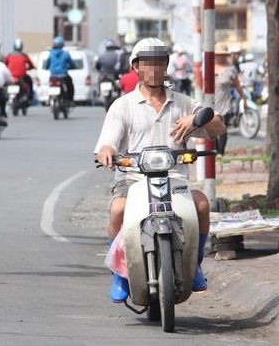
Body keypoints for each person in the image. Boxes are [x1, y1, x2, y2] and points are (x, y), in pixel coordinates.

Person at [94, 38, 226, 302]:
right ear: (136, 67)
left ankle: (195, 264)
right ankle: (120, 274)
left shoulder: (183, 103)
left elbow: (219, 128)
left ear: (166, 66)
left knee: (201, 205)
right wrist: (107, 151)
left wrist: (200, 118)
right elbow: (107, 141)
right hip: (132, 179)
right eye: (147, 63)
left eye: (159, 62)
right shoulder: (122, 106)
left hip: (174, 178)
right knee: (118, 209)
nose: (154, 68)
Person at [213, 42, 248, 155]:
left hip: (224, 103)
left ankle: (220, 153)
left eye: (223, 55)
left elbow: (237, 85)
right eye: (218, 54)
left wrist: (244, 98)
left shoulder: (231, 69)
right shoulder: (209, 67)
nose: (221, 57)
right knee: (211, 129)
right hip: (210, 102)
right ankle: (214, 151)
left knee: (222, 128)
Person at [45, 36, 76, 103]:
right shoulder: (66, 54)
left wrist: (47, 68)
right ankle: (70, 100)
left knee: (50, 84)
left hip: (53, 76)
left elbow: (47, 65)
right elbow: (72, 64)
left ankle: (49, 98)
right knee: (70, 85)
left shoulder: (51, 54)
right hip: (63, 76)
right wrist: (73, 67)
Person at [3, 39, 35, 103]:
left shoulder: (9, 55)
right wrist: (31, 68)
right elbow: (31, 64)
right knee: (30, 82)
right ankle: (31, 98)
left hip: (11, 76)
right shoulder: (24, 55)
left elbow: (4, 64)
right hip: (22, 76)